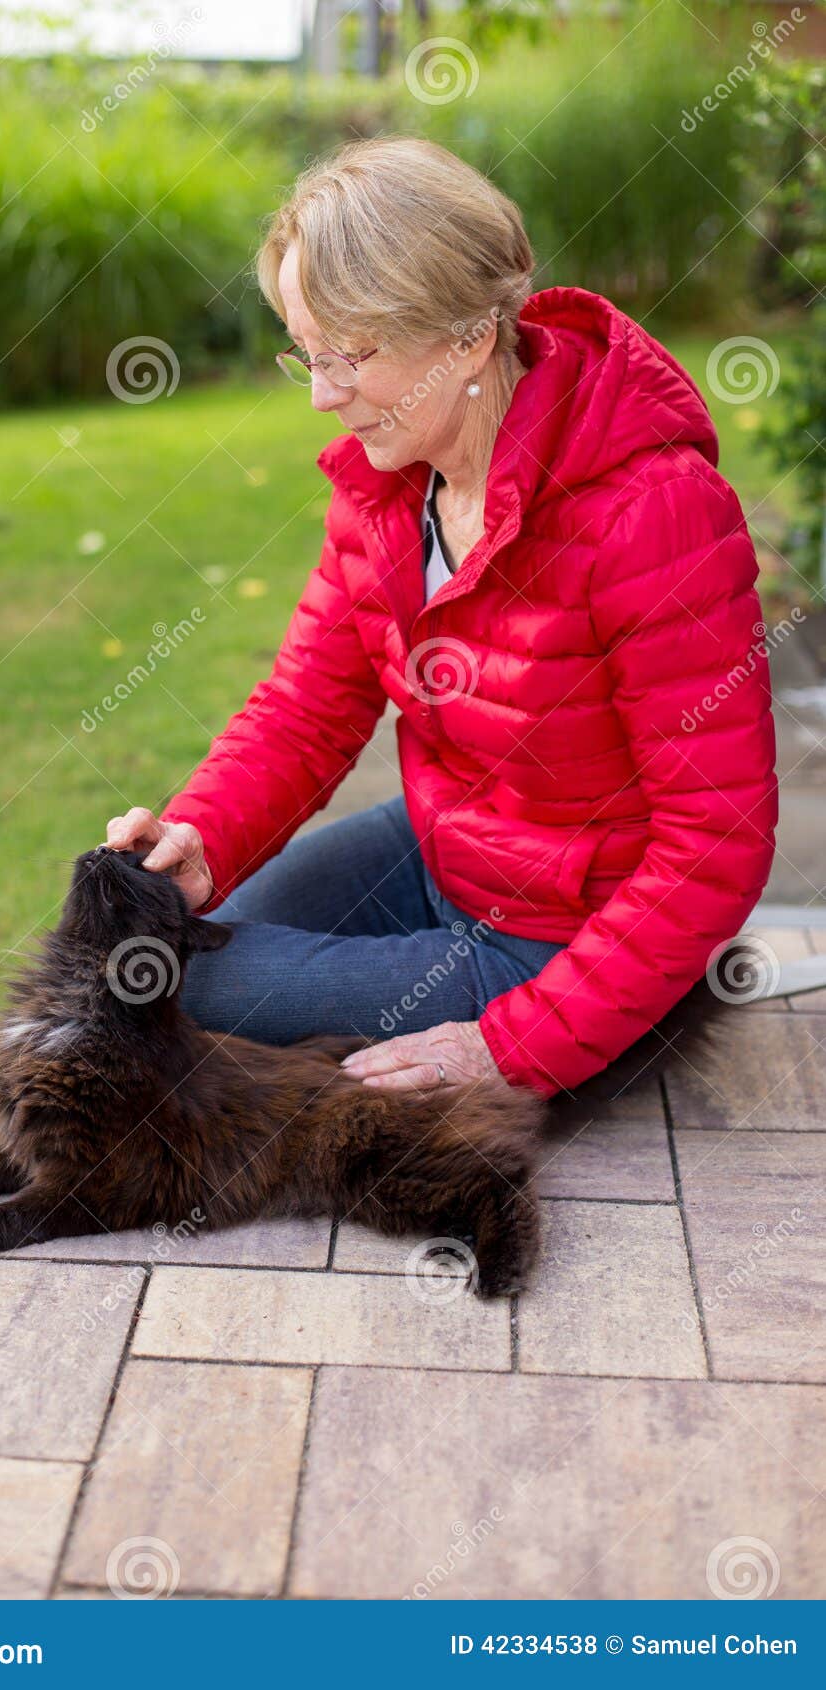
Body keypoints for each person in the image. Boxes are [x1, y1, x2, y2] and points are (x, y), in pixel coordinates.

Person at [105, 136, 777, 1100]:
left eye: (352, 357)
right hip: (445, 851)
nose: (320, 395)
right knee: (154, 936)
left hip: (565, 932)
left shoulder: (652, 512)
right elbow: (307, 707)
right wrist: (198, 840)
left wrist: (510, 1046)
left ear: (467, 335)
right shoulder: (387, 487)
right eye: (305, 353)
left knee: (178, 982)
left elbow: (715, 841)